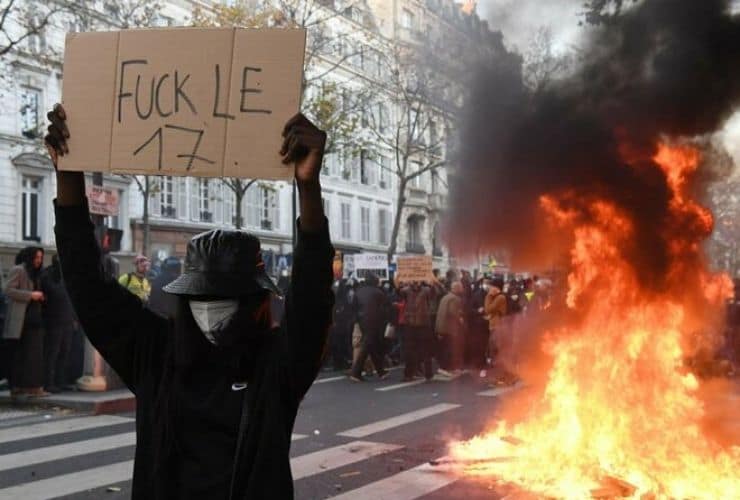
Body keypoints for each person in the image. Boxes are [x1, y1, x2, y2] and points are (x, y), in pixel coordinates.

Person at [45, 104, 333, 499]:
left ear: (256, 302)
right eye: (204, 295)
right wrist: (69, 174)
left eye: (229, 297)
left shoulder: (276, 364)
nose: (213, 307)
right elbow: (87, 284)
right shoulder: (156, 353)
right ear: (184, 297)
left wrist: (308, 187)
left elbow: (313, 298)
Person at [3, 246, 48, 399]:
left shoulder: (37, 274)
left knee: (32, 355)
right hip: (20, 319)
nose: (39, 261)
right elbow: (8, 289)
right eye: (36, 258)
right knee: (18, 355)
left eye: (41, 258)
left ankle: (31, 386)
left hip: (34, 318)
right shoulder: (19, 270)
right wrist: (31, 295)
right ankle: (16, 386)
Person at [40, 255, 77, 393]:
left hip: (67, 319)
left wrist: (74, 318)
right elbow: (53, 292)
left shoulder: (67, 276)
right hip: (53, 320)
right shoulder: (48, 275)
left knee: (65, 352)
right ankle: (48, 382)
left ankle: (61, 381)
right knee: (52, 353)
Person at [349, 274, 390, 382]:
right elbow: (386, 306)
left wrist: (356, 320)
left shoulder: (358, 291)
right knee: (367, 346)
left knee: (372, 346)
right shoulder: (378, 292)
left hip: (362, 321)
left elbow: (353, 307)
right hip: (374, 321)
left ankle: (381, 371)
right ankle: (355, 372)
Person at [399, 281, 436, 381]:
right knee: (409, 351)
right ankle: (409, 374)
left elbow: (435, 293)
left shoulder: (426, 290)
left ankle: (428, 374)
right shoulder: (406, 291)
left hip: (423, 324)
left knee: (426, 351)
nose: (415, 281)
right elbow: (399, 293)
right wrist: (399, 281)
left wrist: (433, 282)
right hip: (410, 324)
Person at [435, 281, 465, 374]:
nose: (462, 289)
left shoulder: (445, 297)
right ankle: (446, 368)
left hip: (440, 326)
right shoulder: (455, 299)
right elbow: (453, 313)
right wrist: (461, 318)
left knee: (444, 348)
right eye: (461, 287)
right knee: (449, 349)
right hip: (449, 328)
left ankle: (445, 367)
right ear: (456, 288)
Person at [482, 277, 507, 379]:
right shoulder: (497, 297)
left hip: (498, 327)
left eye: (491, 286)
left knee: (496, 351)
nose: (489, 287)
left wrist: (488, 296)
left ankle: (501, 375)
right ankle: (500, 375)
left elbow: (487, 309)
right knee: (494, 351)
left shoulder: (500, 298)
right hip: (495, 326)